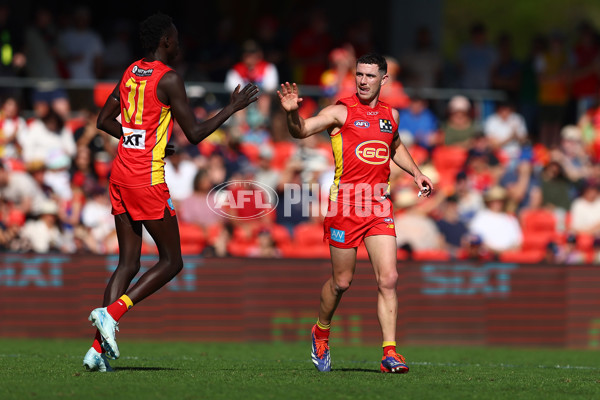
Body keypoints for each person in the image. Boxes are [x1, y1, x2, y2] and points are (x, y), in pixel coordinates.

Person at [83, 13, 258, 372]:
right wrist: (232, 108)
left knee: (128, 262)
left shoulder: (132, 71)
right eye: (175, 39)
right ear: (164, 41)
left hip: (120, 173)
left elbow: (104, 120)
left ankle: (97, 352)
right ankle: (111, 313)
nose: (179, 44)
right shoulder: (170, 79)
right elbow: (194, 134)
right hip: (146, 180)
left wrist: (147, 143)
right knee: (172, 260)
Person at [278, 53, 433, 373]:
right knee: (342, 282)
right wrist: (293, 115)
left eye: (370, 76)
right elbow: (302, 130)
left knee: (389, 278)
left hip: (378, 204)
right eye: (359, 75)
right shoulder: (340, 111)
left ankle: (390, 352)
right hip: (346, 205)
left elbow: (395, 145)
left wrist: (416, 173)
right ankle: (321, 331)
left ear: (384, 80)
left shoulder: (392, 114)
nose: (363, 81)